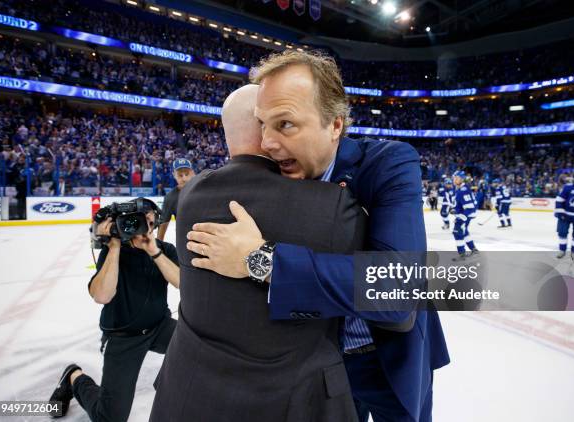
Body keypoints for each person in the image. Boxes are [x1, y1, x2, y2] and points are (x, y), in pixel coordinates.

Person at [186, 50, 449, 422]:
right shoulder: (273, 176)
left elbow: (396, 289)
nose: (268, 144)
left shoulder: (388, 163)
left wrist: (260, 260)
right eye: (263, 124)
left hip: (391, 359)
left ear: (335, 125)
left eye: (286, 125)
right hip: (320, 369)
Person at [150, 84, 366, 421]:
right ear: (267, 128)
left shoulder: (191, 193)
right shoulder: (329, 204)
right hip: (287, 404)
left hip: (184, 395)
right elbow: (393, 285)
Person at [48, 198, 180, 421]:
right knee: (110, 418)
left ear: (155, 224)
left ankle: (173, 387)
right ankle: (74, 377)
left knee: (198, 348)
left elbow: (182, 283)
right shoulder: (113, 254)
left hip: (160, 327)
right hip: (123, 337)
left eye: (148, 222)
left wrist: (153, 251)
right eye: (136, 222)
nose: (142, 228)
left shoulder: (165, 250)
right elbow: (102, 295)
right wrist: (115, 247)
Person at [156, 158, 195, 241]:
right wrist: (159, 246)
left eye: (187, 174)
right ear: (174, 175)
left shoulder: (204, 189)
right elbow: (163, 223)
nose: (184, 179)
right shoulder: (170, 198)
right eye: (180, 175)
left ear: (192, 173)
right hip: (185, 244)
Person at [452, 170, 479, 259]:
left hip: (465, 215)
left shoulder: (463, 190)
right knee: (464, 231)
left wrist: (461, 217)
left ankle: (462, 254)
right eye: (454, 178)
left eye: (456, 178)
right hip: (464, 214)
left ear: (462, 179)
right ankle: (473, 249)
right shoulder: (462, 189)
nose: (454, 180)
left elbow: (469, 207)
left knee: (457, 232)